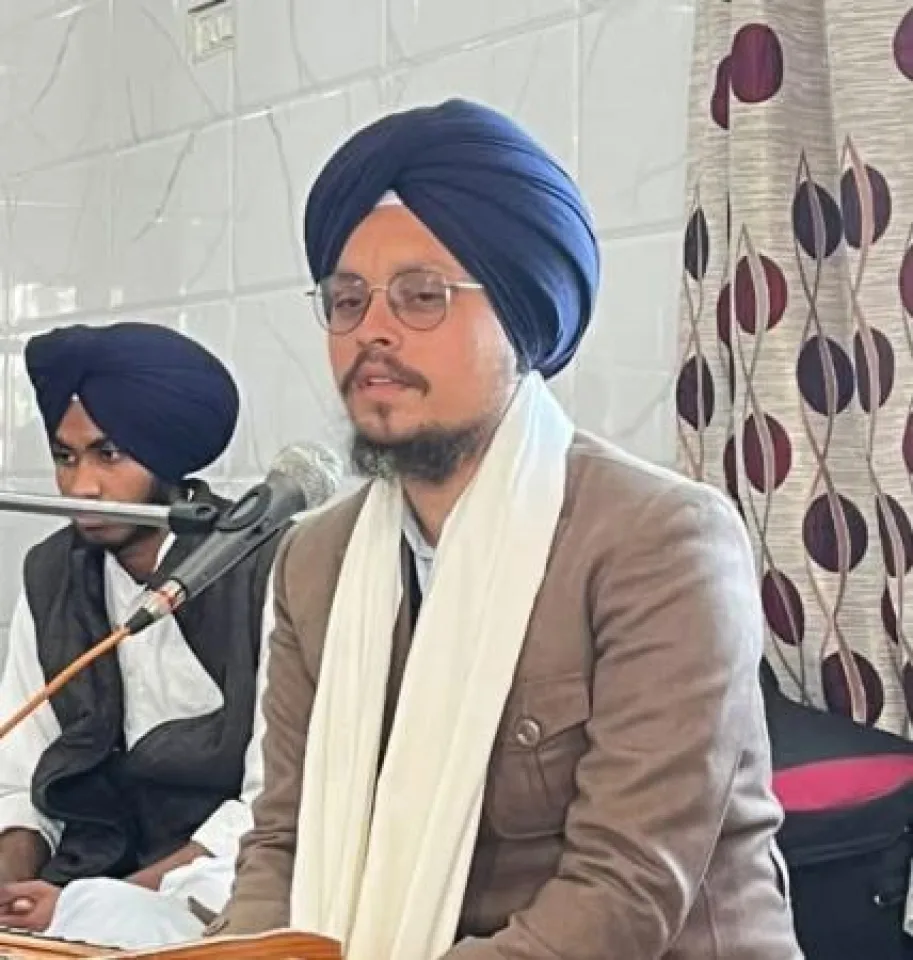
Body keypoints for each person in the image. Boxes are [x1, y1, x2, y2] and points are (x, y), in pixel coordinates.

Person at [215, 99, 804, 959]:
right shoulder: (315, 560)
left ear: (521, 319)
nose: (370, 330)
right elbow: (282, 839)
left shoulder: (661, 542)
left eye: (421, 296)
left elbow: (622, 893)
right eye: (346, 299)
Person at [0, 322, 278, 949]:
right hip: (75, 895)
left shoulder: (265, 572)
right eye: (65, 458)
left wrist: (104, 902)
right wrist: (13, 893)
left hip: (218, 893)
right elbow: (21, 779)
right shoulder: (50, 575)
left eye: (109, 456)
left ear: (167, 455)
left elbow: (273, 806)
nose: (82, 487)